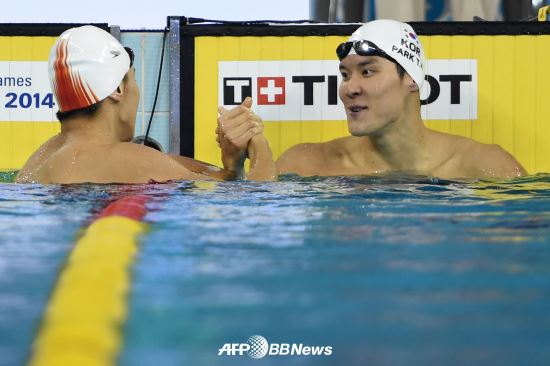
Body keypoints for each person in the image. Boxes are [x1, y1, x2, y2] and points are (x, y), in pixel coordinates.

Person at [16, 25, 275, 184]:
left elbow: (173, 165)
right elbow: (259, 198)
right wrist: (257, 142)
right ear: (118, 89)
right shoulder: (123, 157)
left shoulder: (43, 155)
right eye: (133, 79)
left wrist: (232, 166)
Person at [276, 19, 526, 179]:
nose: (350, 88)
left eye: (367, 72)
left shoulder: (484, 165)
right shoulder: (304, 163)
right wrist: (235, 169)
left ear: (411, 79)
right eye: (345, 74)